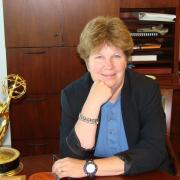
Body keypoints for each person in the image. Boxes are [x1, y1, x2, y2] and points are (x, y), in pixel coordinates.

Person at [52, 16, 174, 178]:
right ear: (87, 63)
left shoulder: (146, 89)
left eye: (116, 56)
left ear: (126, 60)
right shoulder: (72, 94)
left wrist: (89, 167)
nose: (108, 66)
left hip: (143, 173)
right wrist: (92, 104)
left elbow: (153, 151)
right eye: (99, 56)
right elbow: (70, 157)